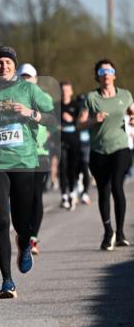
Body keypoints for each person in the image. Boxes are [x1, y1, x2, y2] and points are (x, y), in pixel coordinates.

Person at [0, 46, 54, 298]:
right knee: (0, 220)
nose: (4, 66)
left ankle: (25, 244)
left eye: (8, 62)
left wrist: (31, 113)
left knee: (22, 222)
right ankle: (7, 281)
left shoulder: (28, 89)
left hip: (23, 162)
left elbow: (52, 115)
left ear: (14, 65)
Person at [78, 59, 134, 250]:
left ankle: (120, 233)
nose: (106, 74)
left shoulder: (125, 95)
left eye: (110, 70)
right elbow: (80, 124)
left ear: (114, 75)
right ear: (98, 77)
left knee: (117, 185)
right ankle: (108, 231)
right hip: (98, 151)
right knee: (104, 189)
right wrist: (94, 120)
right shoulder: (91, 98)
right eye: (102, 72)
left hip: (121, 148)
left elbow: (133, 113)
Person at [17, 63, 54, 255]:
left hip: (40, 153)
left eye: (28, 77)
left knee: (36, 195)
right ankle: (23, 234)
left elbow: (53, 118)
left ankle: (32, 238)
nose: (25, 80)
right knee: (23, 197)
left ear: (35, 79)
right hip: (20, 154)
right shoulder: (12, 97)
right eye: (22, 77)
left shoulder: (43, 98)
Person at [58, 81, 82, 209]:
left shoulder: (76, 105)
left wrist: (72, 120)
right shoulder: (55, 106)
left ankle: (73, 192)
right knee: (62, 168)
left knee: (72, 168)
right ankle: (64, 195)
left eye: (67, 90)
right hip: (60, 141)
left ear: (71, 92)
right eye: (62, 90)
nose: (64, 92)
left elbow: (82, 123)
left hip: (74, 141)